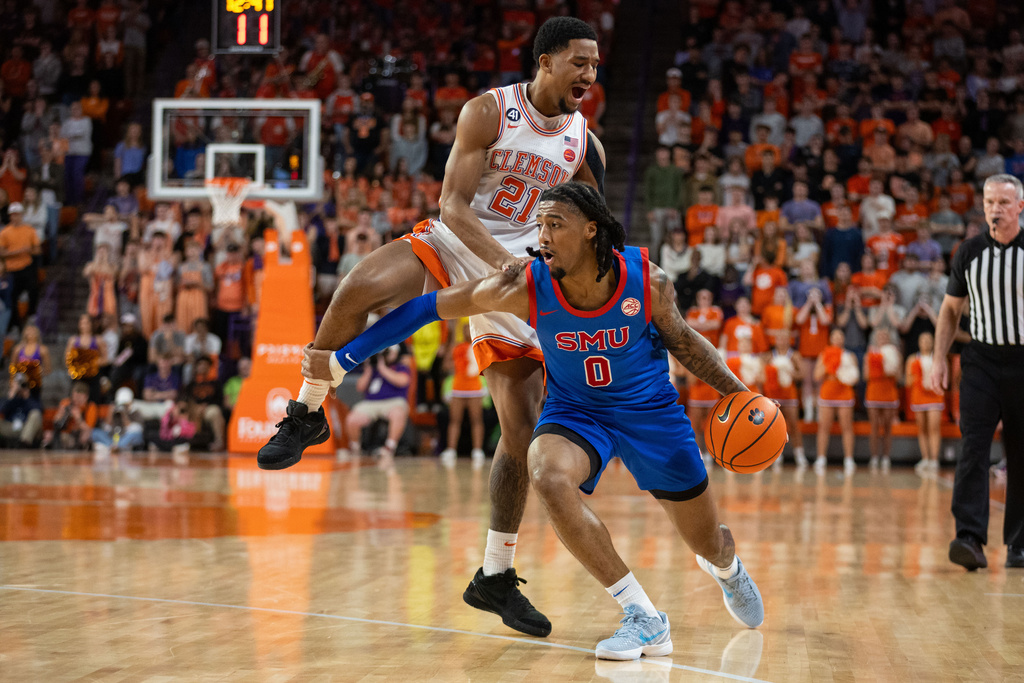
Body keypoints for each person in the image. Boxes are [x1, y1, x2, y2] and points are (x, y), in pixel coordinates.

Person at [300, 182, 764, 658]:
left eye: (554, 224)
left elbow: (686, 344)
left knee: (708, 541)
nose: (541, 235)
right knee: (544, 469)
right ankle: (643, 617)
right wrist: (342, 361)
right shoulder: (525, 285)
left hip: (651, 414)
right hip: (576, 412)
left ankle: (726, 567)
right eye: (539, 224)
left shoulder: (648, 281)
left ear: (591, 231)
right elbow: (427, 308)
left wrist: (744, 397)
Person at [257, 16, 608, 637]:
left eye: (596, 65)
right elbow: (450, 203)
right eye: (580, 62)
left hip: (521, 276)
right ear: (547, 60)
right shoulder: (488, 112)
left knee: (521, 433)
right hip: (460, 243)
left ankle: (495, 575)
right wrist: (499, 258)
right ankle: (307, 411)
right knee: (357, 288)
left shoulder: (585, 144)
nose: (590, 75)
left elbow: (592, 226)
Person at [928, 175, 1024, 570]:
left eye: (1003, 202)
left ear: (1020, 206)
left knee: (1021, 454)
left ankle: (1020, 544)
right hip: (981, 360)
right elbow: (950, 310)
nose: (995, 209)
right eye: (989, 202)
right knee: (973, 448)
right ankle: (969, 538)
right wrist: (938, 359)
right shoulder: (968, 252)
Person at [338, 343, 412, 468]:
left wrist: (383, 369)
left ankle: (389, 447)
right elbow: (360, 387)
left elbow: (403, 381)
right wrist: (368, 369)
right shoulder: (373, 369)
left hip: (394, 402)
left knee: (398, 413)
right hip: (371, 403)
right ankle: (355, 448)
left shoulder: (400, 367)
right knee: (352, 419)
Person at [440, 320, 487, 468]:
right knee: (454, 420)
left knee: (476, 420)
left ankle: (478, 451)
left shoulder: (480, 347)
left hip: (474, 388)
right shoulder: (457, 348)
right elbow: (445, 366)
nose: (468, 332)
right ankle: (451, 450)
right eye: (465, 329)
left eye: (470, 329)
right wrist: (454, 360)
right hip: (458, 387)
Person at [814, 328, 859, 475]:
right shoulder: (824, 354)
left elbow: (856, 377)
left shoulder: (849, 355)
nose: (838, 338)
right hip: (828, 392)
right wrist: (830, 364)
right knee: (824, 426)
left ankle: (849, 459)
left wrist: (844, 373)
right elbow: (816, 376)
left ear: (843, 339)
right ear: (830, 339)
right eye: (835, 336)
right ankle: (821, 458)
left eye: (840, 336)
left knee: (846, 426)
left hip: (844, 392)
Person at [763, 331, 804, 468]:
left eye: (784, 338)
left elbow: (801, 375)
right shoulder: (769, 356)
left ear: (789, 340)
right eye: (779, 338)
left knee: (793, 425)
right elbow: (763, 375)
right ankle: (775, 456)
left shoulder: (794, 356)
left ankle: (799, 455)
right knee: (774, 427)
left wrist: (790, 371)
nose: (781, 341)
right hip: (774, 395)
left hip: (790, 395)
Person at [864, 329, 902, 471]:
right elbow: (866, 375)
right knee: (874, 426)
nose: (882, 338)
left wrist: (890, 367)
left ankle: (886, 458)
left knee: (887, 427)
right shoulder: (870, 353)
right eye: (880, 335)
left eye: (885, 335)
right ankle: (874, 457)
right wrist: (878, 367)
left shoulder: (895, 353)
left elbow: (898, 375)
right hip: (873, 391)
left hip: (889, 392)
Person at [908, 331, 945, 476]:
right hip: (919, 396)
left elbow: (944, 379)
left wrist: (931, 382)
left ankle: (934, 459)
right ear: (918, 343)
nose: (926, 343)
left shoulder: (938, 359)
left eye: (929, 340)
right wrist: (919, 378)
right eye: (923, 340)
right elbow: (908, 380)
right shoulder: (912, 359)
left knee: (934, 427)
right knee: (922, 428)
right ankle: (925, 458)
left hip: (934, 396)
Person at [0, 373, 42, 447]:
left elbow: (38, 410)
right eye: (18, 384)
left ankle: (24, 443)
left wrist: (27, 397)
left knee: (35, 414)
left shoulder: (31, 398)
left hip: (26, 428)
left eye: (22, 384)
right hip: (11, 426)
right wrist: (11, 396)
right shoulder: (10, 397)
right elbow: (2, 410)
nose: (20, 387)